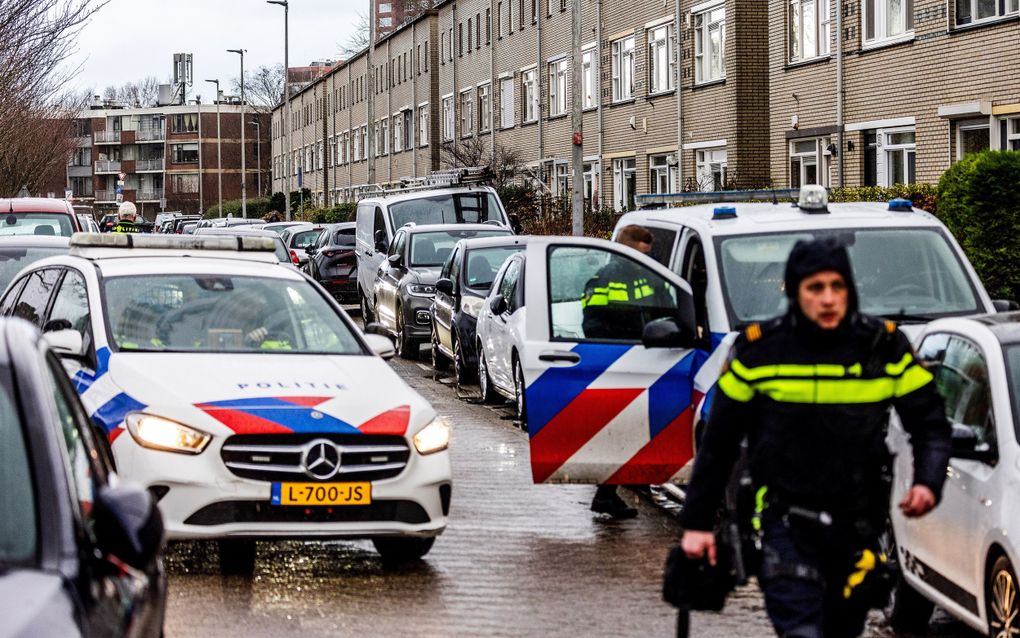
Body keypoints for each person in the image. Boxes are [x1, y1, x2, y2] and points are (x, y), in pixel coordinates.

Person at [679, 237, 951, 638]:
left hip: (857, 530)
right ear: (795, 290)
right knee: (802, 629)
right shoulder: (759, 353)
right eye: (815, 288)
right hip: (784, 524)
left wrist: (929, 482)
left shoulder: (883, 348)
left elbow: (930, 423)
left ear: (849, 289)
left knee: (841, 630)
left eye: (836, 287)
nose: (827, 299)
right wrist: (697, 523)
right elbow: (718, 445)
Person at [583, 224, 660, 519]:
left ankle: (612, 492)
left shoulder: (638, 276)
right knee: (621, 430)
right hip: (619, 362)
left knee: (629, 428)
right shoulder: (606, 279)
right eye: (641, 254)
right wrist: (619, 349)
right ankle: (606, 495)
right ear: (626, 249)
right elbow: (592, 323)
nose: (646, 259)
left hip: (637, 360)